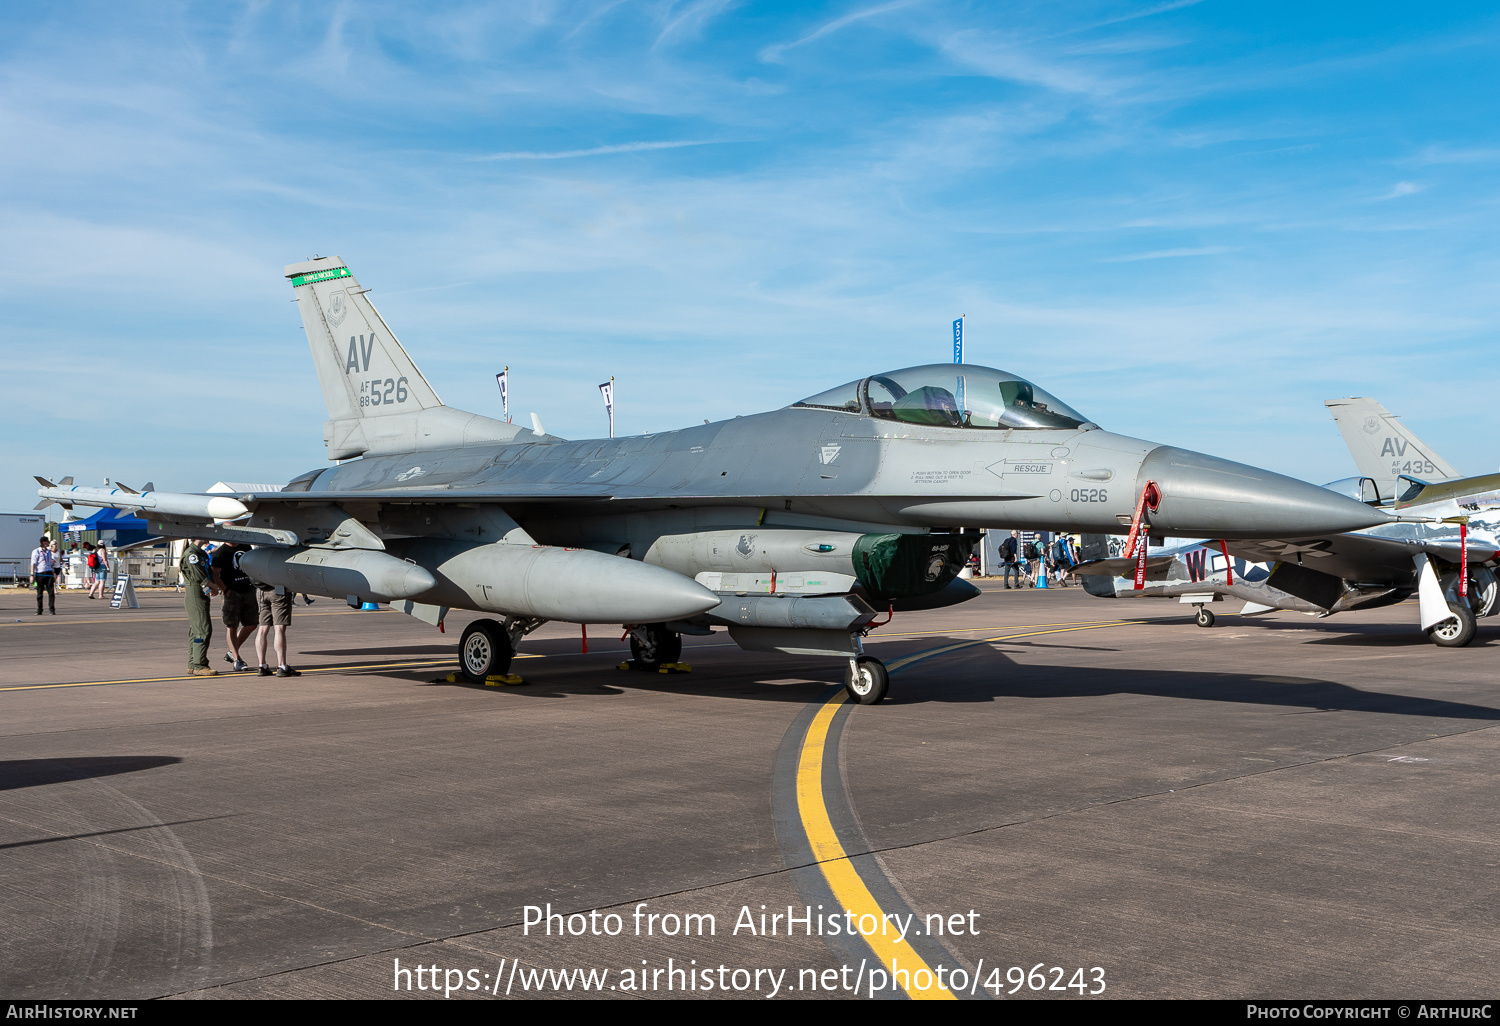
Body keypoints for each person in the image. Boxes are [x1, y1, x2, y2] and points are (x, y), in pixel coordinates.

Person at [212, 543, 257, 671]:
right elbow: (215, 574)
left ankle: (231, 652)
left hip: (248, 590)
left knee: (252, 624)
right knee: (232, 625)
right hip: (231, 593)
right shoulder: (221, 553)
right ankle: (237, 659)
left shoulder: (246, 547)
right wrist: (225, 590)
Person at [179, 539, 219, 676]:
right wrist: (214, 586)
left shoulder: (200, 553)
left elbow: (207, 572)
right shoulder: (192, 555)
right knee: (203, 629)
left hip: (200, 593)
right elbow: (199, 576)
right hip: (195, 593)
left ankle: (193, 663)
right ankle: (199, 664)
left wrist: (211, 586)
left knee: (197, 629)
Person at [254, 581, 301, 678]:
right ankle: (282, 665)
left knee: (262, 628)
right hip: (277, 589)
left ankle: (262, 665)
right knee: (279, 628)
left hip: (261, 590)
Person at [30, 535, 58, 615]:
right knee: (39, 593)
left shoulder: (48, 551)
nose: (49, 543)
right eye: (47, 541)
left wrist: (53, 573)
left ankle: (52, 609)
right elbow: (33, 563)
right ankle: (39, 609)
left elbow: (50, 563)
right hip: (40, 573)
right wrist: (32, 575)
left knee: (51, 592)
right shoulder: (36, 551)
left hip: (48, 572)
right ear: (44, 542)